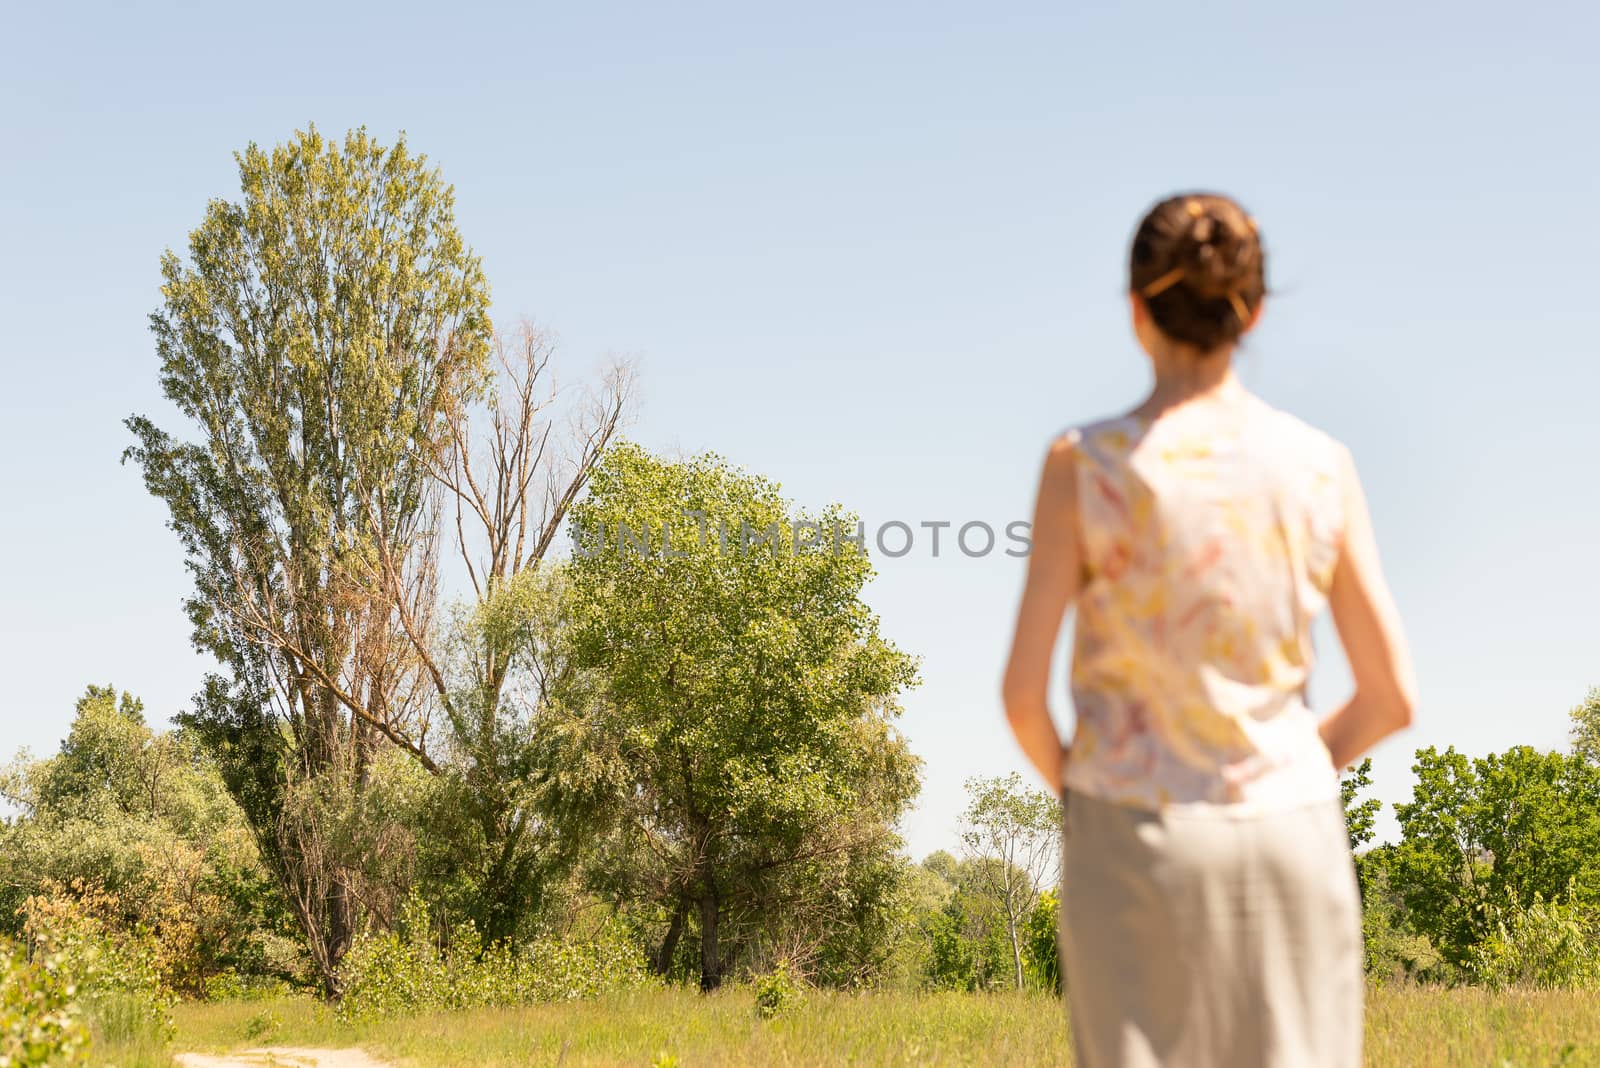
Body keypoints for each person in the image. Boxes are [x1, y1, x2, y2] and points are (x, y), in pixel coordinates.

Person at [1000, 192, 1416, 1068]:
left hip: (1131, 836)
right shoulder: (1319, 467)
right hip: (1289, 838)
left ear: (1135, 310)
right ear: (1253, 313)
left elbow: (1022, 699)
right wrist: (1285, 769)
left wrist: (1089, 798)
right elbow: (1389, 699)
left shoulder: (1084, 466)